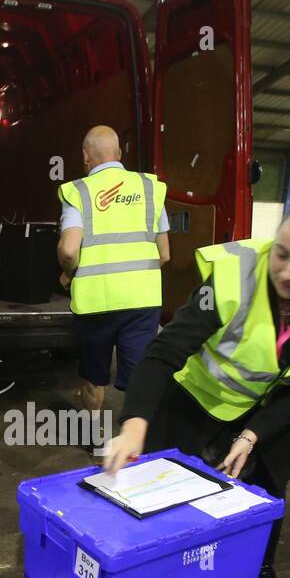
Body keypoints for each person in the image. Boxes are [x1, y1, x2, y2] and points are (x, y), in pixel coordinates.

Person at [102, 196, 290, 578]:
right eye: (282, 253)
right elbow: (163, 353)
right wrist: (134, 423)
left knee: (268, 493)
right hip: (199, 401)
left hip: (277, 413)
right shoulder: (235, 275)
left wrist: (253, 435)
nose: (287, 271)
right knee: (171, 496)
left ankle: (261, 577)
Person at [56, 126, 170, 422]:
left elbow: (69, 250)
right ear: (119, 154)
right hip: (142, 301)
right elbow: (165, 254)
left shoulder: (78, 191)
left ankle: (95, 437)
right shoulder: (150, 188)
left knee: (94, 374)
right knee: (139, 376)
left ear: (85, 157)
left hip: (96, 302)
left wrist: (69, 274)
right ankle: (135, 445)